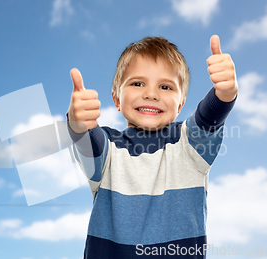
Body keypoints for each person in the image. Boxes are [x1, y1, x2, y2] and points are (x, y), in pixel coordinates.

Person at [67, 35, 238, 258]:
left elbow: (209, 117)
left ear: (180, 104)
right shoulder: (108, 150)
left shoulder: (189, 144)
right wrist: (77, 120)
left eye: (166, 87)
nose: (151, 94)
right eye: (137, 83)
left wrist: (225, 93)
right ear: (117, 98)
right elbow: (87, 138)